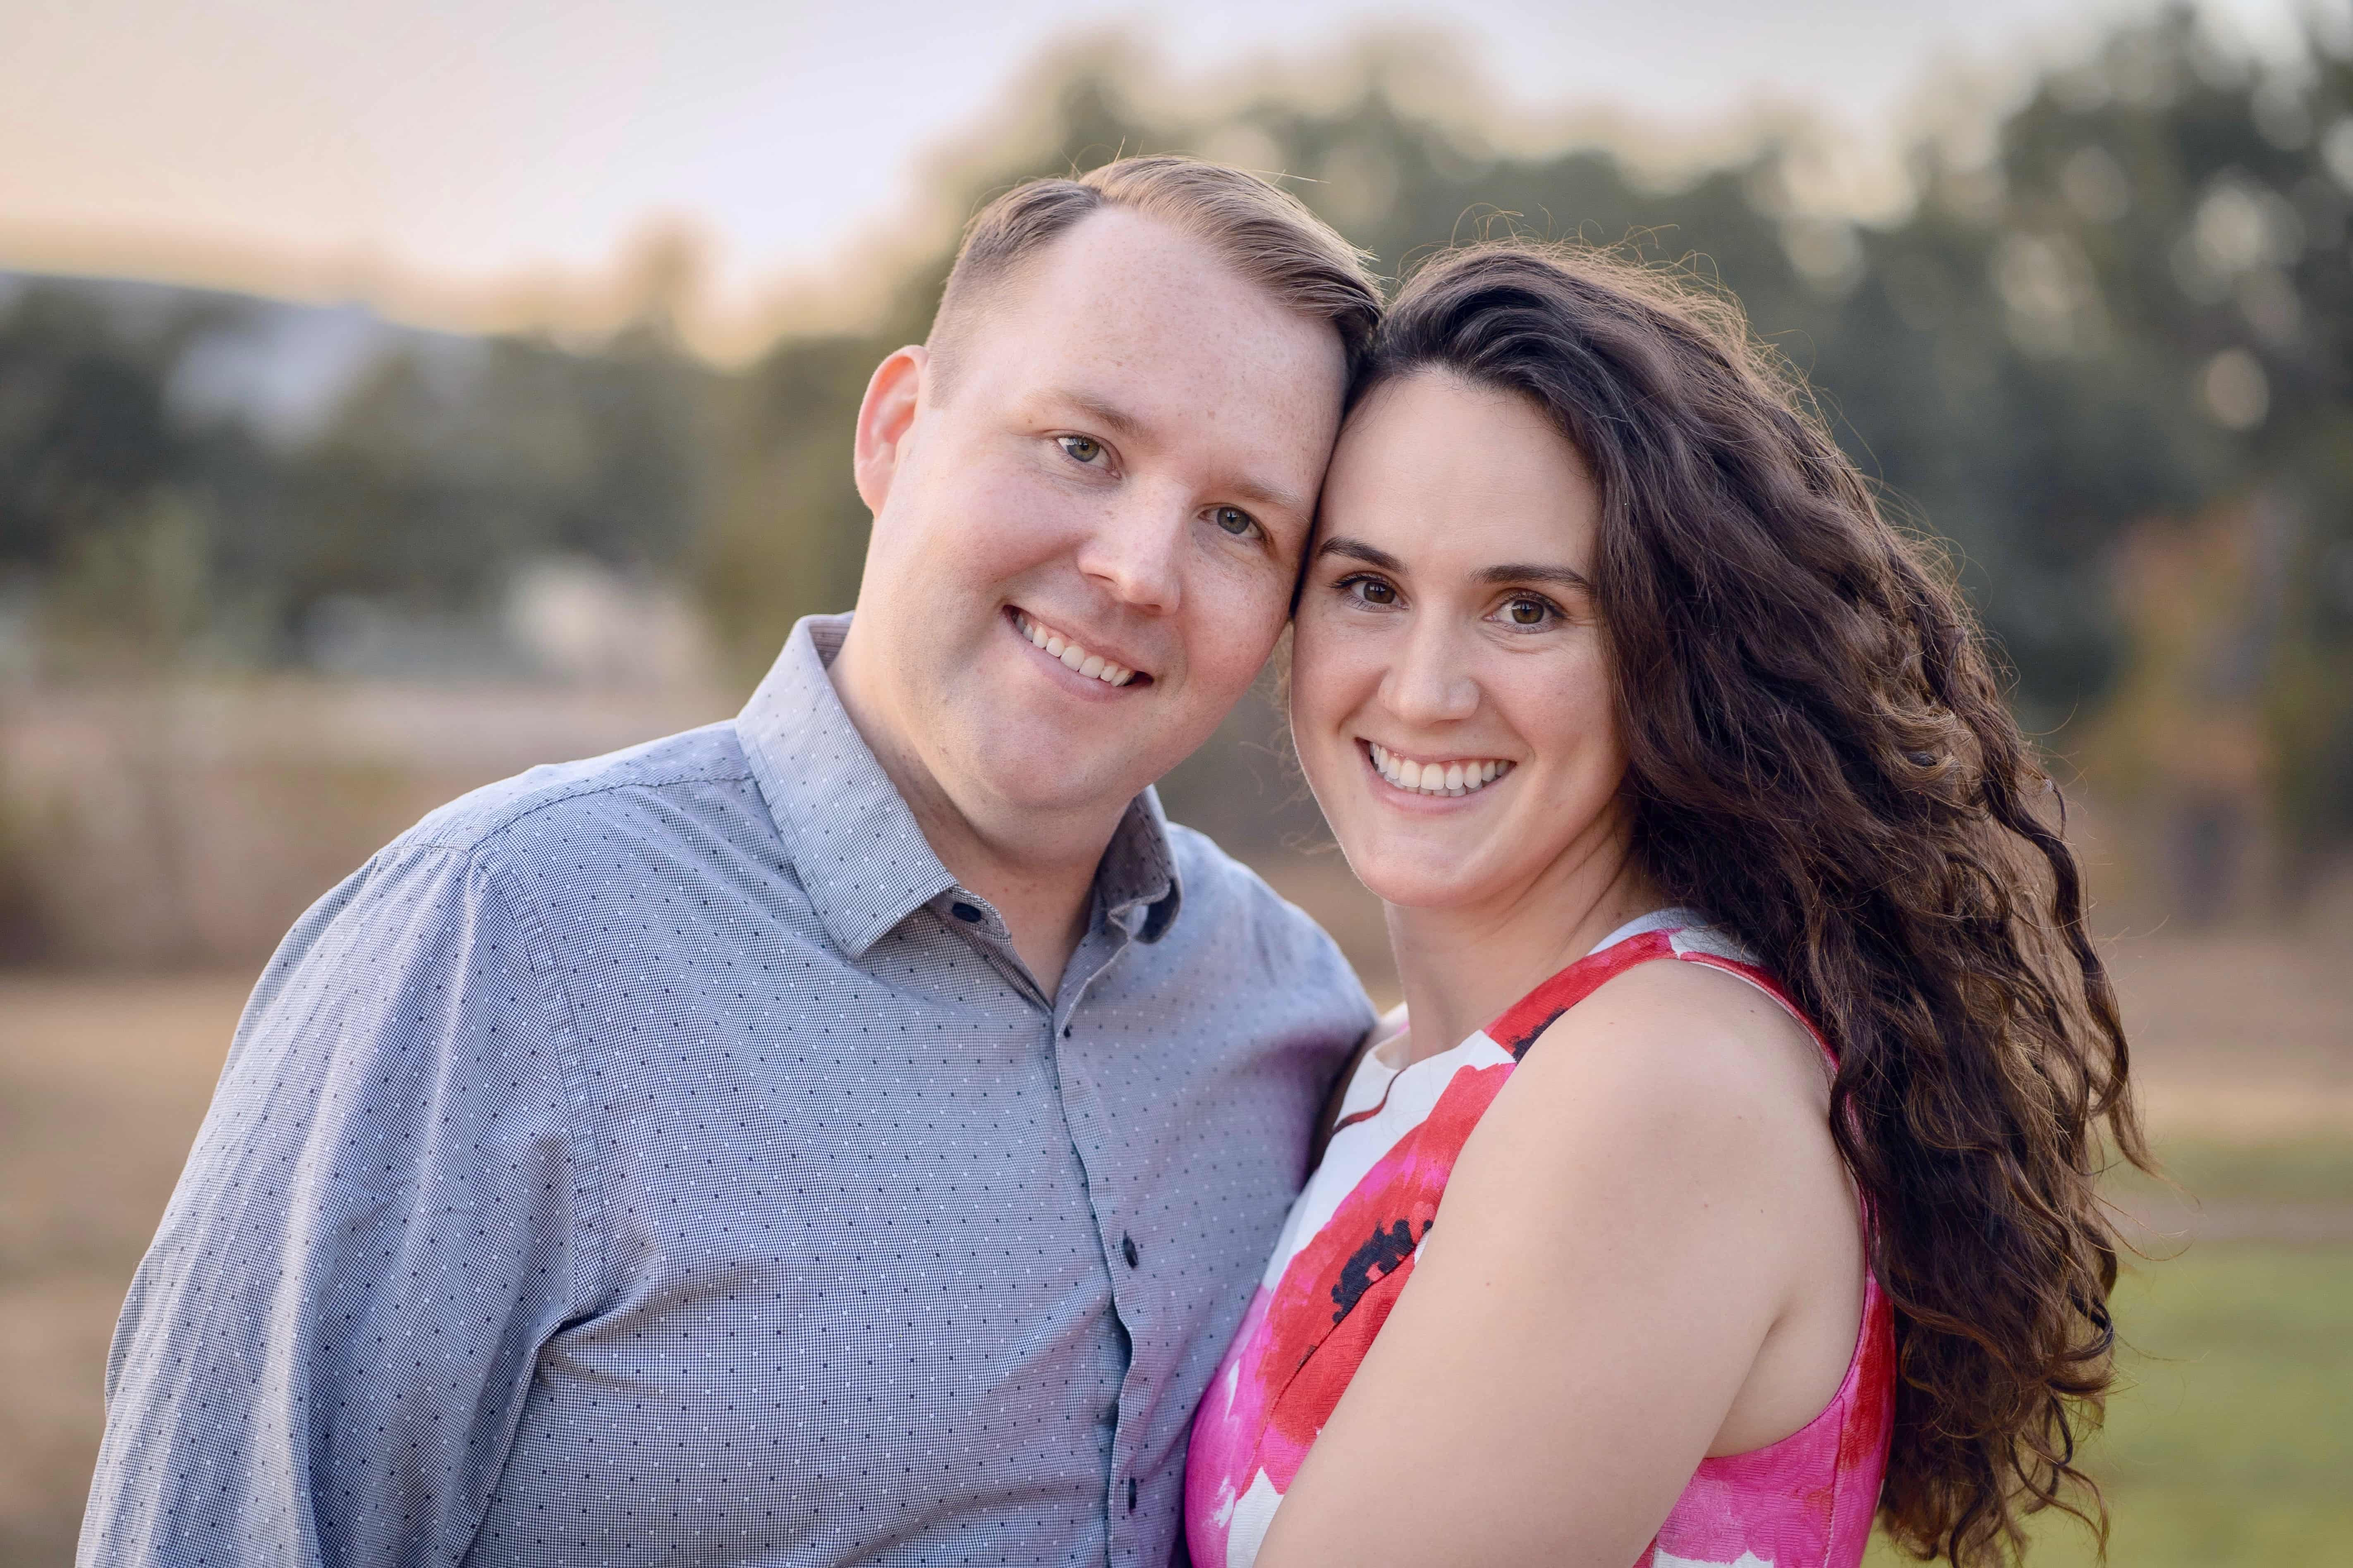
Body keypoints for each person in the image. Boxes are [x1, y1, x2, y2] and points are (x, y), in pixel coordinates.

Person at [82, 157, 1384, 1568]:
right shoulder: (500, 940)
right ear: (895, 431)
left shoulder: (1286, 1013)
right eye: (1080, 446)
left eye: (1238, 522)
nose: (1138, 568)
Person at [1187, 243, 2145, 1568]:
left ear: (1665, 651)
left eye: (1526, 609)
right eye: (1368, 589)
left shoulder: (1653, 1089)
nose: (1420, 689)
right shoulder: (1412, 1059)